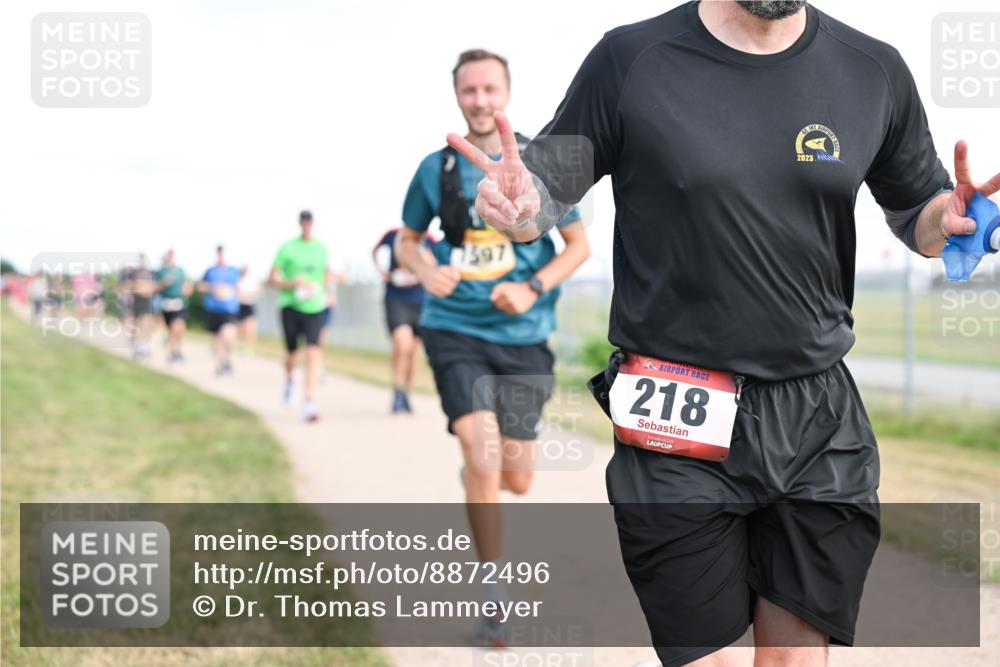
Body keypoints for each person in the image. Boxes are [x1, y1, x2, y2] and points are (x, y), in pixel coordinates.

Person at [452, 2, 1000, 665]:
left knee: (798, 655)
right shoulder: (631, 60)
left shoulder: (872, 69)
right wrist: (518, 209)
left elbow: (916, 205)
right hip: (677, 410)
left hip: (816, 416)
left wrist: (951, 218)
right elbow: (542, 190)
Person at [396, 48, 590, 646]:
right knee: (482, 459)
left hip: (524, 339)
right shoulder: (437, 169)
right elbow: (407, 241)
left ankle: (481, 470)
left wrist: (532, 288)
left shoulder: (543, 160)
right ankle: (495, 601)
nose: (479, 100)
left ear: (506, 92)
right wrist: (428, 273)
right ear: (458, 95)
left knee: (519, 478)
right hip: (455, 330)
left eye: (489, 89)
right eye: (469, 91)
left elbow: (577, 247)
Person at [268, 210, 332, 423]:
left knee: (313, 352)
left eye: (310, 222)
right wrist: (292, 283)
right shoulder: (288, 248)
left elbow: (325, 274)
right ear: (299, 224)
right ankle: (289, 381)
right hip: (291, 305)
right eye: (304, 222)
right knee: (291, 354)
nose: (307, 226)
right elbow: (273, 277)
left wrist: (324, 291)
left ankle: (309, 402)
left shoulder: (321, 248)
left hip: (314, 306)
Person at [372, 227, 436, 413]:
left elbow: (435, 264)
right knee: (402, 343)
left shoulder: (430, 239)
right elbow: (374, 250)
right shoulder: (393, 235)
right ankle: (398, 391)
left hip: (420, 301)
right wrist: (381, 270)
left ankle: (407, 392)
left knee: (414, 351)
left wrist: (421, 252)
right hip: (396, 299)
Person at [200, 245, 241, 376]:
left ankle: (226, 358)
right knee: (216, 339)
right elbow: (201, 287)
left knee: (228, 335)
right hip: (213, 308)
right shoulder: (210, 271)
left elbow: (239, 287)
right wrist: (212, 287)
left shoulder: (233, 271)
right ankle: (219, 365)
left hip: (229, 309)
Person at [156, 249, 190, 363]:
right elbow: (156, 288)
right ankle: (171, 353)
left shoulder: (180, 270)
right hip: (166, 303)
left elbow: (186, 285)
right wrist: (164, 283)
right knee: (171, 329)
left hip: (179, 303)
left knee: (179, 326)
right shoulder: (160, 271)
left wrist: (186, 289)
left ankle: (176, 350)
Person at [127, 253, 157, 360]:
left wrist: (145, 289)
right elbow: (129, 286)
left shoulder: (151, 273)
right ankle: (136, 344)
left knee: (145, 323)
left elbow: (153, 286)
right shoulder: (133, 273)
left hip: (146, 301)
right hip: (136, 301)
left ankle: (143, 347)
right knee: (135, 324)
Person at [236, 266, 260, 351]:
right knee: (240, 326)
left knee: (250, 326)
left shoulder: (252, 281)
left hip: (250, 305)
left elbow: (258, 290)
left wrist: (247, 295)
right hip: (240, 305)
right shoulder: (238, 280)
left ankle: (249, 346)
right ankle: (241, 344)